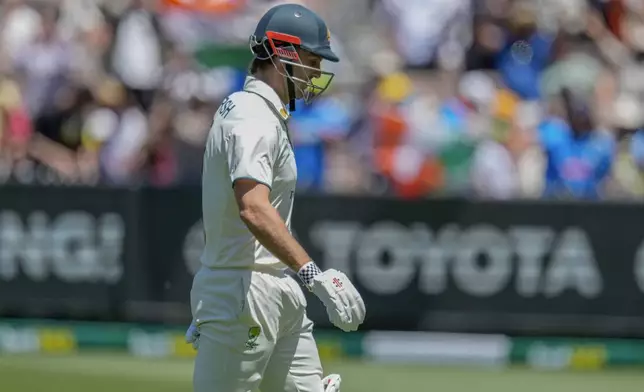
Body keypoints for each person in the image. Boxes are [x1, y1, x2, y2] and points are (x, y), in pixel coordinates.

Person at [185, 4, 365, 392]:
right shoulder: (252, 115)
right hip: (246, 293)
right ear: (284, 53)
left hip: (268, 289)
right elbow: (252, 207)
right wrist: (314, 276)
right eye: (313, 59)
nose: (317, 72)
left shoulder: (262, 112)